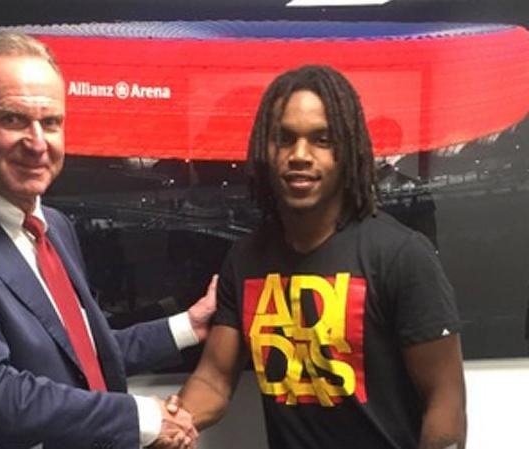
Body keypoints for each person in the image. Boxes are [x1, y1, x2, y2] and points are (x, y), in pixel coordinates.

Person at [0, 31, 214, 449]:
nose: (37, 143)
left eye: (51, 122)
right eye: (13, 119)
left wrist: (189, 325)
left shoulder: (53, 225)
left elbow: (79, 355)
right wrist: (144, 417)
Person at [169, 65, 467, 449]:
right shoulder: (245, 260)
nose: (300, 155)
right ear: (266, 148)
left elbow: (445, 403)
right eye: (284, 138)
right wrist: (173, 423)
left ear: (347, 151)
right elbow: (213, 379)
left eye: (322, 139)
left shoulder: (401, 255)